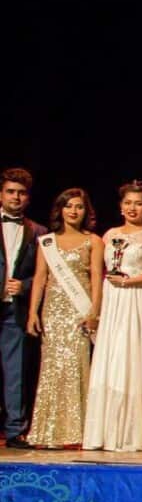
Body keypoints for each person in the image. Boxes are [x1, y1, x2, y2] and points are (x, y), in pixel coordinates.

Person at [82, 181, 142, 451]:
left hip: (136, 298)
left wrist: (132, 281)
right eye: (128, 203)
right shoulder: (108, 235)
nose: (132, 208)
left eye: (138, 203)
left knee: (131, 356)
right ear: (120, 206)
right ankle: (102, 432)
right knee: (110, 357)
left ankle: (129, 433)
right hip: (112, 300)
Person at [26, 188, 103, 448]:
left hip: (79, 311)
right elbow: (39, 278)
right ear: (60, 209)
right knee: (51, 368)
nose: (73, 211)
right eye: (69, 206)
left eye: (79, 207)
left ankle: (77, 432)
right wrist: (32, 313)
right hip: (53, 310)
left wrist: (94, 312)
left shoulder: (93, 240)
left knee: (77, 366)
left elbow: (96, 278)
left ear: (86, 211)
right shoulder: (46, 242)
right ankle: (47, 432)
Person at [1, 168, 45, 447]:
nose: (16, 197)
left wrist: (25, 286)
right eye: (10, 191)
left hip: (14, 311)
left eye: (21, 192)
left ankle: (15, 429)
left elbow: (44, 274)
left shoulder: (38, 232)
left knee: (15, 371)